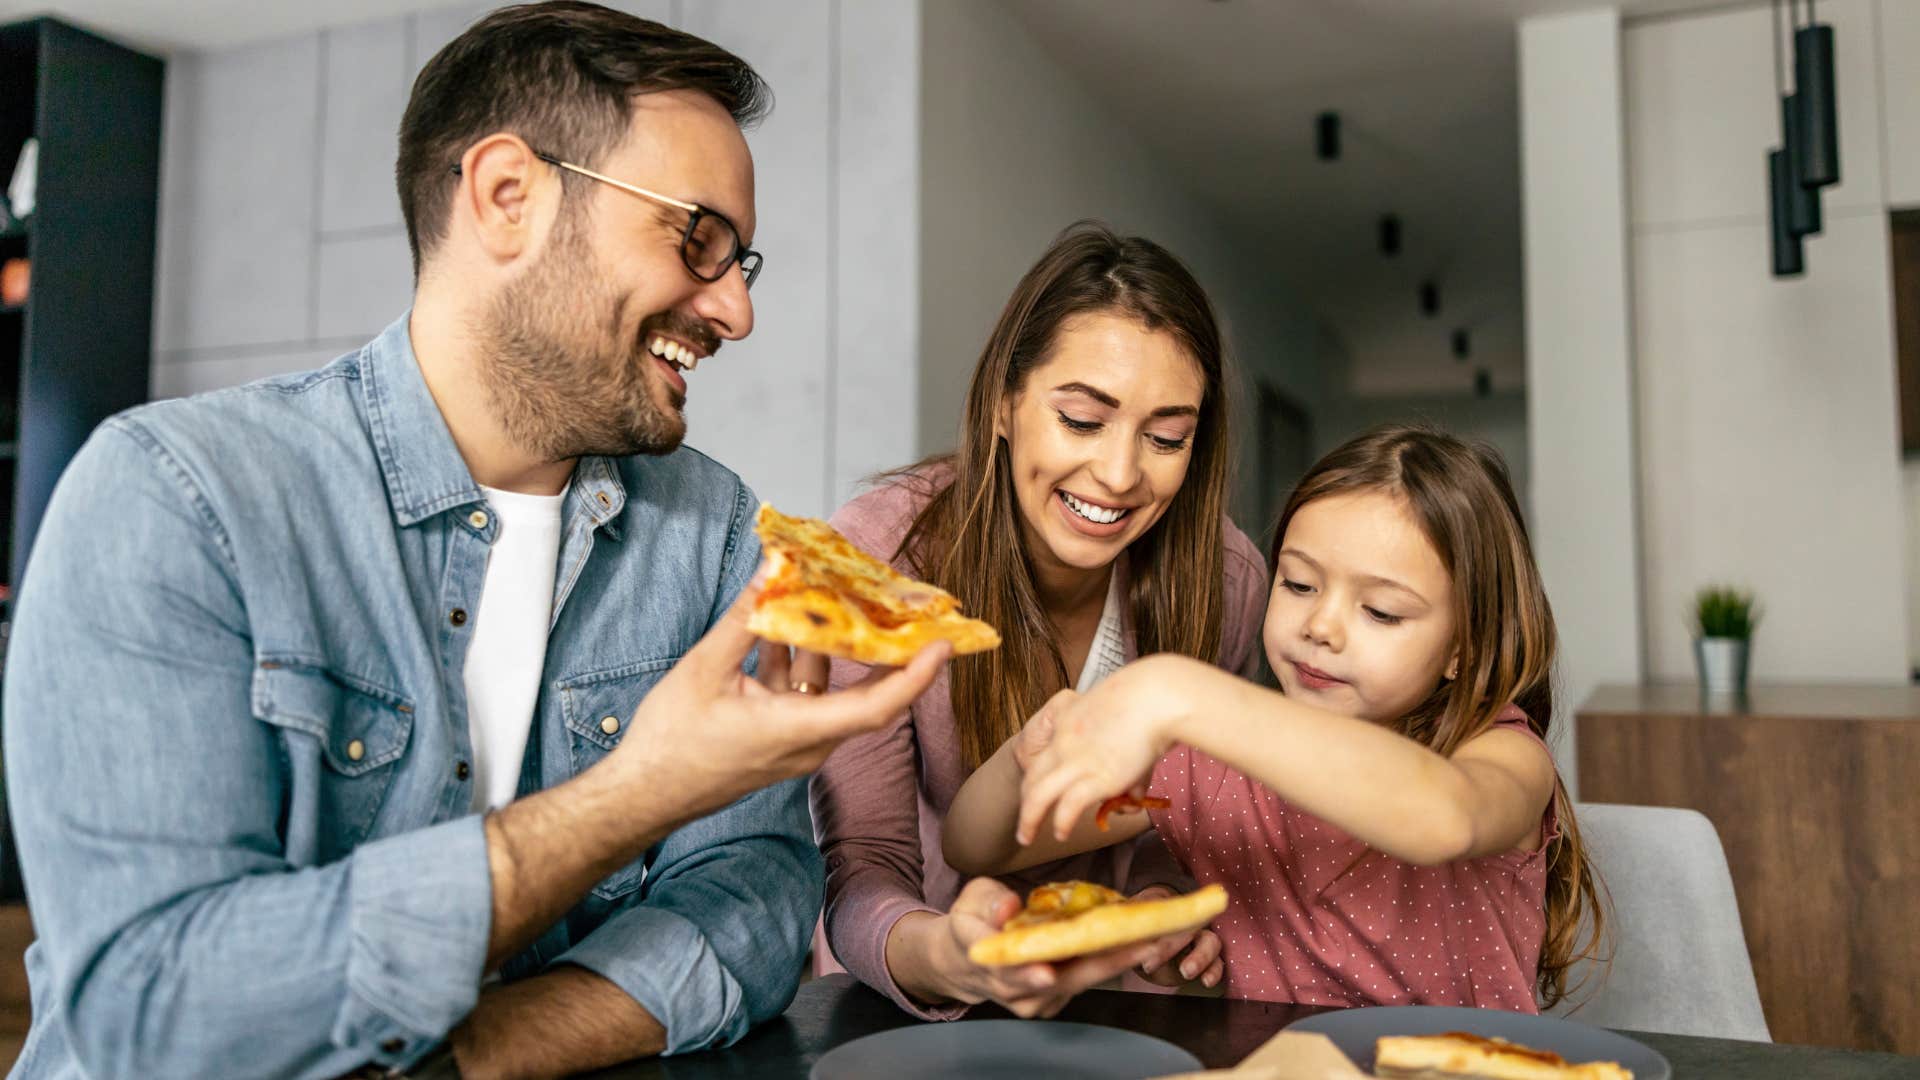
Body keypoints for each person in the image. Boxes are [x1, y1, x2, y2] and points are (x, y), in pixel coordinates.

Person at [0, 4, 944, 1077]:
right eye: (698, 241)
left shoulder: (714, 529)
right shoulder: (177, 497)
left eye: (742, 262)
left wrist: (480, 1052)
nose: (734, 308)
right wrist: (639, 792)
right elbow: (158, 1007)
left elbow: (757, 900)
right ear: (508, 197)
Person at [945, 425, 1606, 1011]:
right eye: (1298, 584)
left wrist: (1174, 690)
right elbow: (977, 845)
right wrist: (1032, 754)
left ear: (1463, 647)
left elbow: (1445, 817)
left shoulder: (1502, 754)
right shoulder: (1211, 766)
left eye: (1380, 612)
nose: (1320, 626)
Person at [810, 222, 1270, 1020]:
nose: (1120, 474)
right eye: (1083, 422)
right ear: (1003, 403)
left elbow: (1180, 819)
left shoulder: (1227, 585)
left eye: (1166, 437)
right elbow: (863, 865)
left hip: (1117, 1012)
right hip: (903, 1012)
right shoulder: (876, 561)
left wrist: (1169, 905)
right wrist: (950, 957)